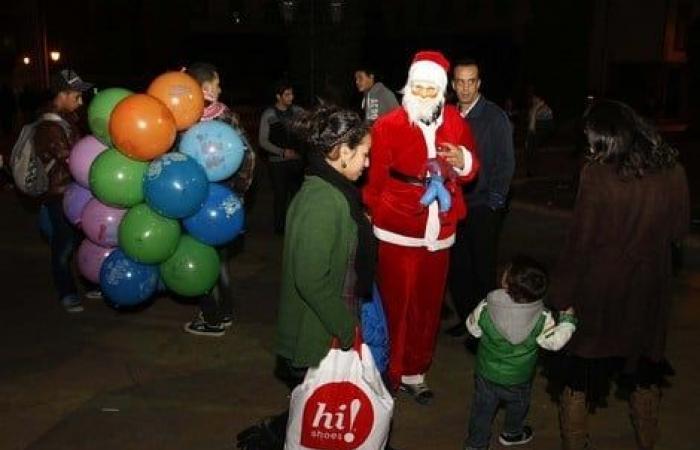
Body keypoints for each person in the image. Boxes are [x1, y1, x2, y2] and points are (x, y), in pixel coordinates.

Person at [548, 100, 690, 450]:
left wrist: (561, 298)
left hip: (600, 292)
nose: (590, 147)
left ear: (609, 136)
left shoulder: (596, 175)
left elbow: (580, 244)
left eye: (592, 138)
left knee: (578, 376)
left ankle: (576, 443)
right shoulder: (673, 171)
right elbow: (678, 231)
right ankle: (647, 439)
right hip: (649, 288)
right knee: (644, 371)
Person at [237, 104, 374, 450]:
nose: (367, 163)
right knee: (319, 409)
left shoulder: (331, 190)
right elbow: (310, 279)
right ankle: (272, 435)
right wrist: (346, 328)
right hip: (321, 330)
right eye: (364, 154)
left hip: (327, 321)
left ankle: (276, 432)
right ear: (342, 152)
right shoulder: (322, 201)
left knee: (316, 406)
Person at [363, 50, 479, 403]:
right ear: (409, 87)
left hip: (440, 231)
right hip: (397, 227)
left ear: (442, 91)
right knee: (395, 305)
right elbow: (373, 180)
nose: (425, 95)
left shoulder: (457, 123)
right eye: (419, 88)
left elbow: (472, 170)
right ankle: (390, 371)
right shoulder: (388, 125)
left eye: (432, 90)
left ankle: (416, 372)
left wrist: (463, 161)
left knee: (427, 307)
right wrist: (374, 212)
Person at [463, 255, 576, 450]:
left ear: (506, 282)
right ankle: (512, 434)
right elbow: (553, 343)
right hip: (519, 377)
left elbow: (473, 329)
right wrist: (567, 322)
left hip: (486, 373)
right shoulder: (543, 318)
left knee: (482, 409)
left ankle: (475, 444)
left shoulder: (487, 306)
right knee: (518, 405)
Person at [182, 62, 256, 336]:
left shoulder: (185, 123)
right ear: (203, 88)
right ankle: (224, 313)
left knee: (200, 259)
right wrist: (237, 194)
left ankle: (211, 318)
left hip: (197, 203)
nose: (220, 88)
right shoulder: (226, 116)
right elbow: (249, 156)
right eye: (216, 83)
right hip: (223, 201)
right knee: (220, 260)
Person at [446, 59, 515, 338]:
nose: (465, 87)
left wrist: (495, 202)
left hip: (483, 206)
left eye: (470, 81)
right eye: (460, 81)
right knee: (458, 269)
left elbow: (506, 163)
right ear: (453, 84)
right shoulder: (449, 115)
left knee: (482, 271)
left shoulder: (495, 117)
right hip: (453, 205)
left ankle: (484, 331)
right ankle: (466, 320)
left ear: (479, 84)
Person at [34, 69, 93, 313]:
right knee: (64, 244)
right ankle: (66, 292)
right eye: (76, 95)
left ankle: (88, 281)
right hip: (58, 194)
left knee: (81, 238)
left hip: (73, 191)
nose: (80, 101)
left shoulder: (68, 119)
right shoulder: (49, 125)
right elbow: (70, 158)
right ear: (62, 94)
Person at [258, 81, 305, 234]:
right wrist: (281, 152)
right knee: (280, 197)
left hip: (296, 162)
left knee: (297, 196)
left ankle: (296, 226)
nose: (291, 97)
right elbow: (262, 141)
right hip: (277, 163)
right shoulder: (269, 115)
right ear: (278, 96)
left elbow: (311, 126)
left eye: (292, 94)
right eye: (287, 94)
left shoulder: (298, 111)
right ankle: (280, 229)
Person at [523, 91, 553, 177]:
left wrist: (535, 111)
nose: (533, 100)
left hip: (543, 134)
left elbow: (548, 127)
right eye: (533, 99)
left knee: (532, 145)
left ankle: (533, 170)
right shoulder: (533, 109)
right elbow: (530, 128)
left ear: (541, 100)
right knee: (529, 147)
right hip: (533, 135)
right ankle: (530, 170)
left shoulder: (546, 109)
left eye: (535, 98)